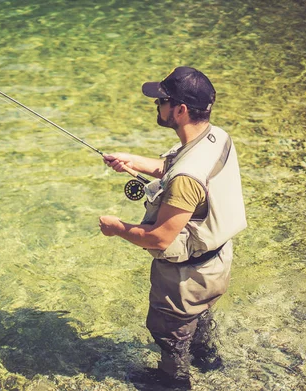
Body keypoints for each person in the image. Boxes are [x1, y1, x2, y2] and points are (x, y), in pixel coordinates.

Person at [99, 67, 247, 389]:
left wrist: (116, 227)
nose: (157, 105)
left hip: (186, 280)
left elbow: (160, 238)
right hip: (217, 263)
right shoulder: (217, 137)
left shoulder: (184, 180)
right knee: (199, 315)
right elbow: (181, 169)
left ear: (180, 110)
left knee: (170, 332)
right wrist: (133, 161)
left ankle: (172, 381)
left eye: (162, 100)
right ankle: (208, 357)